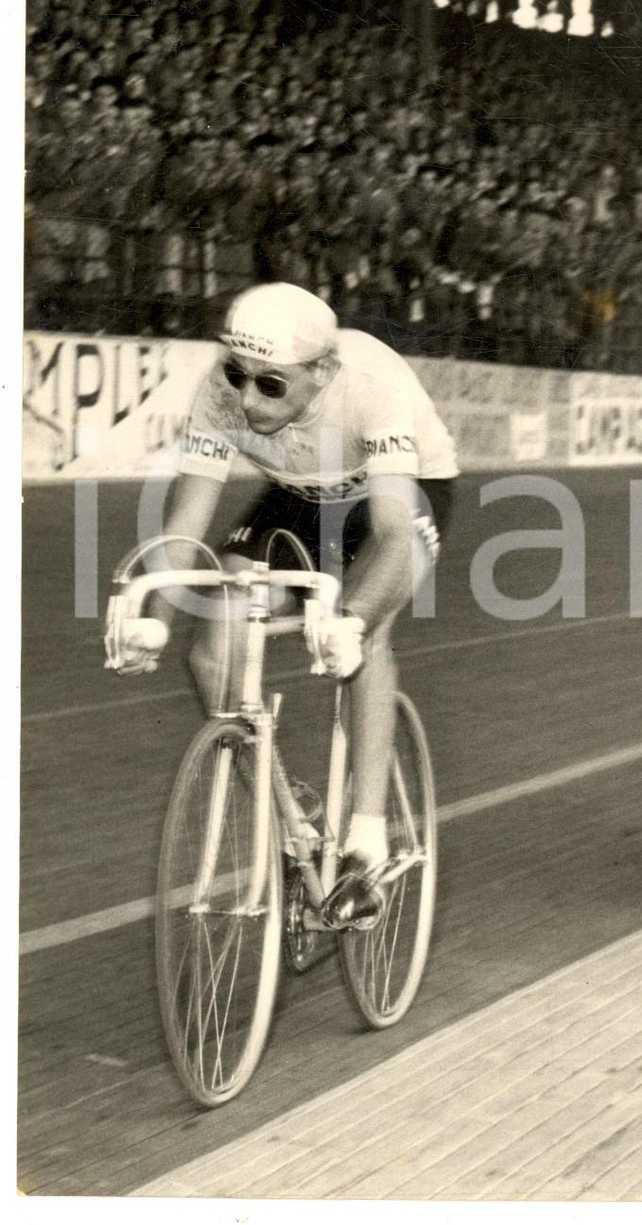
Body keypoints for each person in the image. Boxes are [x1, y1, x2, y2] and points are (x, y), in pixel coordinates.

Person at [123, 282, 459, 923]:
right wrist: (153, 621)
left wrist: (352, 621)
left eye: (270, 385)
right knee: (212, 651)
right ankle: (287, 813)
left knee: (362, 635)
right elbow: (186, 522)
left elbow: (393, 535)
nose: (247, 399)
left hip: (399, 494)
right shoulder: (223, 392)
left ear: (322, 372)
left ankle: (366, 841)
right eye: (237, 374)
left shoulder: (371, 385)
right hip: (299, 494)